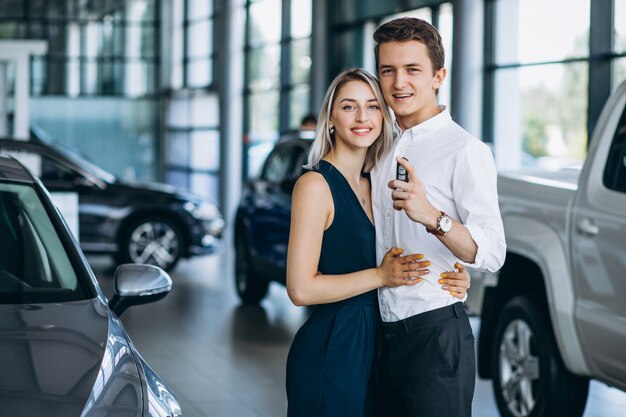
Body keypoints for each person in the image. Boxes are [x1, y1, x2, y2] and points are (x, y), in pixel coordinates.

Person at [285, 68, 471, 417]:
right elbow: (300, 289)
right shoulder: (315, 186)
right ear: (330, 118)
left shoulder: (378, 183)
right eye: (349, 107)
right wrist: (381, 276)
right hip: (335, 345)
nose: (362, 118)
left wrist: (453, 279)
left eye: (372, 107)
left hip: (383, 345)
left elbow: (406, 254)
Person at [370, 18, 507, 417]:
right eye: (388, 70)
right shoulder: (379, 146)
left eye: (412, 69)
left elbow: (493, 251)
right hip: (379, 334)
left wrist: (433, 217)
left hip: (434, 334)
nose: (399, 83)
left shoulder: (465, 150)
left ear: (438, 76)